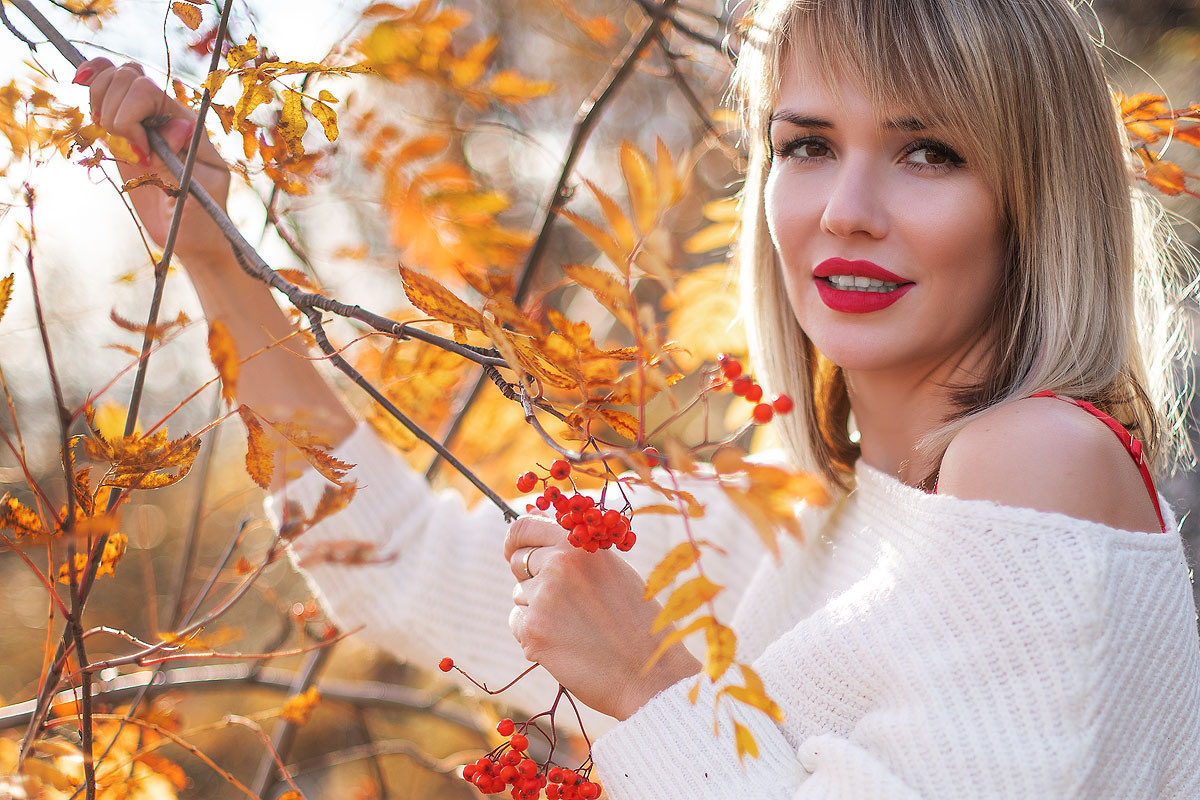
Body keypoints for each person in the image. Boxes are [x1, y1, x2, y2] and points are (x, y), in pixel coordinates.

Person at [78, 0, 1200, 795]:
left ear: (1034, 198)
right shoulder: (788, 515)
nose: (846, 209)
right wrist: (217, 261)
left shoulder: (1038, 458)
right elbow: (397, 567)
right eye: (809, 144)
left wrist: (647, 680)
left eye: (930, 153)